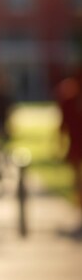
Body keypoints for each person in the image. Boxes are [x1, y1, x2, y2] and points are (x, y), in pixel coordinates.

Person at [55, 65, 82, 236]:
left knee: (78, 180)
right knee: (77, 181)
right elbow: (64, 124)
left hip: (75, 145)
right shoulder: (69, 97)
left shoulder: (68, 96)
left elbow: (62, 125)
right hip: (76, 145)